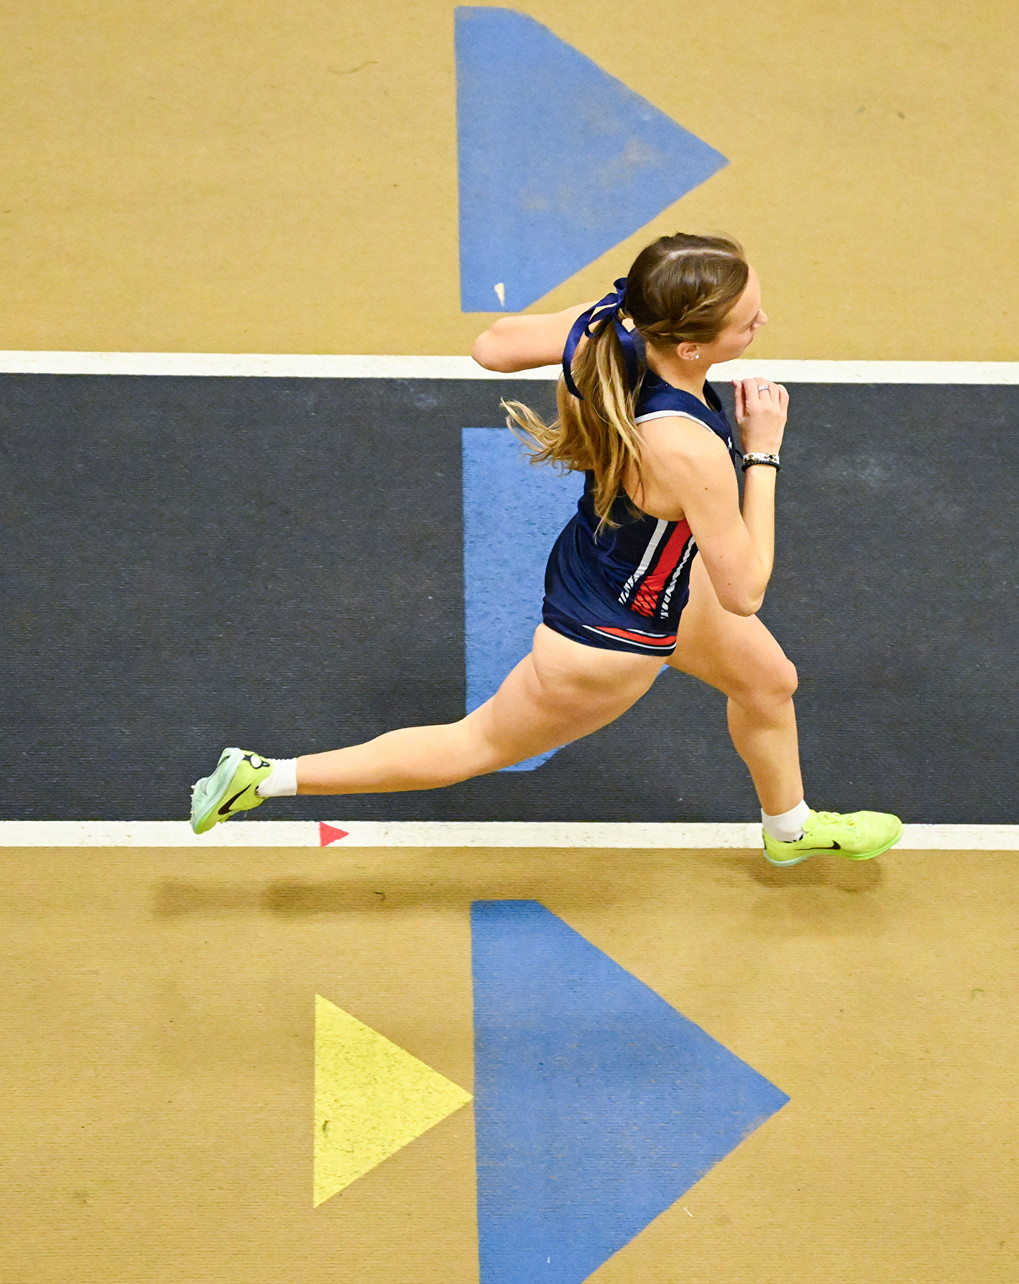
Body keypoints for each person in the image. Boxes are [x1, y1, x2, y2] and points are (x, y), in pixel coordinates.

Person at [188, 232, 901, 866]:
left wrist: (592, 316)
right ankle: (265, 776)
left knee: (769, 681)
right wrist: (765, 455)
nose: (761, 324)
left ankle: (789, 827)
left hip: (624, 561)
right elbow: (746, 590)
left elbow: (491, 347)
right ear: (689, 347)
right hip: (611, 635)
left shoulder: (610, 331)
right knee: (474, 747)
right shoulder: (689, 447)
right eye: (748, 323)